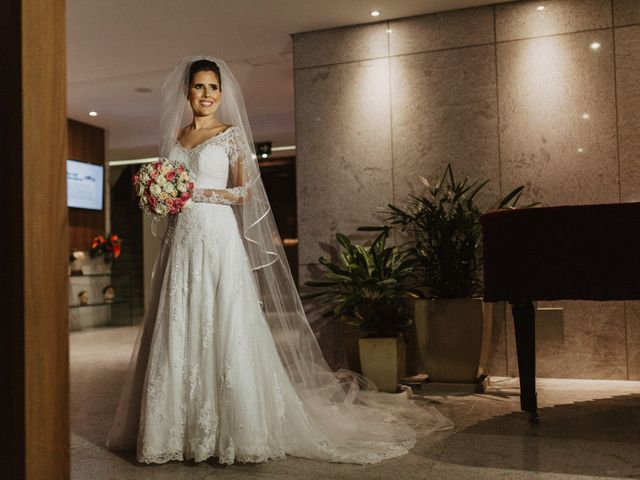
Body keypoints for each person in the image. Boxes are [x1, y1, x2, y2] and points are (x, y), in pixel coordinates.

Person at [106, 55, 451, 465]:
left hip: (218, 237)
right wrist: (161, 197)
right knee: (182, 321)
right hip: (182, 243)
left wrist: (196, 193)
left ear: (222, 92)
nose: (207, 95)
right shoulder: (176, 139)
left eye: (213, 87)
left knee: (226, 323)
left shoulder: (230, 135)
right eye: (199, 87)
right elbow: (166, 195)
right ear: (187, 92)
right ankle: (176, 431)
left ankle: (233, 430)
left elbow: (243, 193)